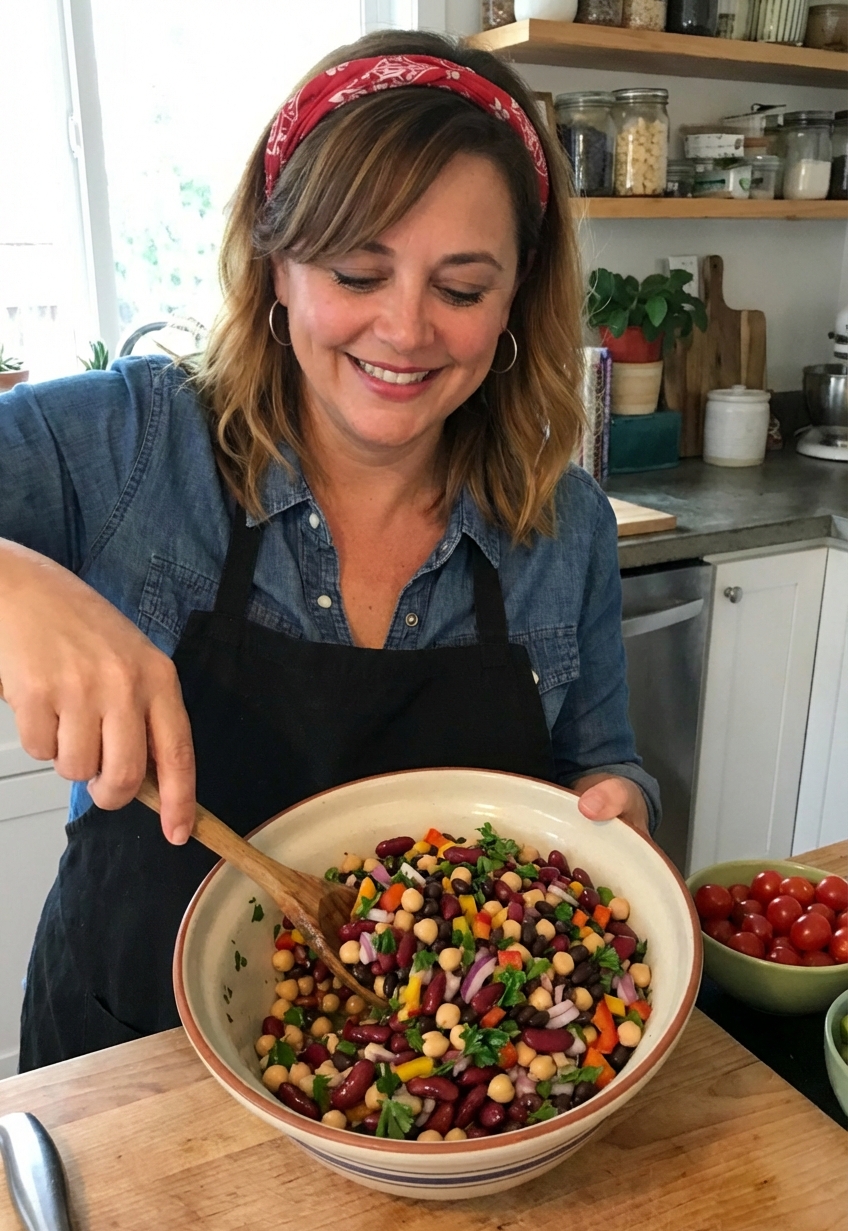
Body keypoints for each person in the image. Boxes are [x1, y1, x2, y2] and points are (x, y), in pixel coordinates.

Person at [0, 28, 659, 1072]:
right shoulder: (127, 447)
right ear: (275, 264)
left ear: (514, 305)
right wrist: (8, 584)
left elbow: (600, 762)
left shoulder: (561, 524)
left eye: (459, 288)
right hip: (121, 1070)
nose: (403, 329)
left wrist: (617, 812)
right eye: (358, 269)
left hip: (438, 1109)